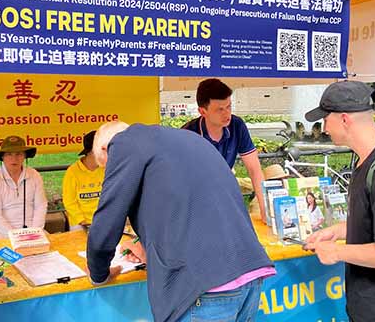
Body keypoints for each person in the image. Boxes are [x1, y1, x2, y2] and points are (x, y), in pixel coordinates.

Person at [87, 121, 275, 322]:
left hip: (203, 287)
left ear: (107, 148)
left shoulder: (123, 143)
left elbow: (107, 220)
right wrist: (149, 248)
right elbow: (191, 206)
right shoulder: (186, 139)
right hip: (249, 272)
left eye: (107, 166)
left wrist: (98, 273)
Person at [304, 81, 375, 321]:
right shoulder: (365, 162)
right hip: (367, 307)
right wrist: (339, 230)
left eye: (325, 120)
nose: (324, 128)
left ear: (344, 119)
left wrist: (338, 252)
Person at [182, 78, 266, 221]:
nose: (227, 114)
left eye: (229, 107)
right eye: (220, 109)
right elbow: (180, 180)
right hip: (194, 199)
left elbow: (254, 169)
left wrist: (266, 209)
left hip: (224, 193)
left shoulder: (237, 125)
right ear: (203, 111)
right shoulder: (188, 134)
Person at [0, 135, 48, 241]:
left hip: (32, 229)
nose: (14, 159)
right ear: (2, 157)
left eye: (19, 154)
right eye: (9, 154)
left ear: (24, 156)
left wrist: (34, 232)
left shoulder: (35, 175)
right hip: (1, 232)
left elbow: (40, 206)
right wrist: (15, 236)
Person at [62, 130, 105, 230]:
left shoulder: (106, 169)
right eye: (102, 150)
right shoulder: (72, 172)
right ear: (91, 151)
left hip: (103, 220)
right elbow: (69, 202)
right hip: (80, 223)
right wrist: (82, 221)